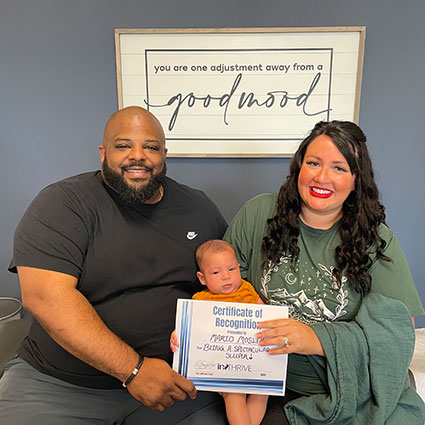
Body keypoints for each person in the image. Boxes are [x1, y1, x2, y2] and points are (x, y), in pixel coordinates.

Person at [0, 106, 229, 425]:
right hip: (59, 384)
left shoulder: (198, 207)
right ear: (102, 152)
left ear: (164, 154)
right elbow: (44, 297)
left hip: (172, 386)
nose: (138, 156)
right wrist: (134, 370)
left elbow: (226, 283)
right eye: (124, 146)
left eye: (150, 147)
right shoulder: (63, 204)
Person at [224, 120, 425, 424]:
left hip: (343, 388)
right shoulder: (258, 214)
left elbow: (398, 331)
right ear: (298, 168)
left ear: (357, 180)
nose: (322, 177)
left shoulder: (375, 238)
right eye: (313, 163)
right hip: (261, 383)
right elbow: (218, 290)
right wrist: (196, 333)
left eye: (339, 168)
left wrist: (313, 338)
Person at [171, 239, 267, 425]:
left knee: (262, 391)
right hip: (223, 365)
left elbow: (263, 314)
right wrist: (177, 335)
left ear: (239, 268)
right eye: (216, 272)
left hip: (251, 358)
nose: (226, 276)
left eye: (231, 269)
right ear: (202, 278)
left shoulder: (247, 290)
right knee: (234, 393)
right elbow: (189, 328)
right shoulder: (201, 300)